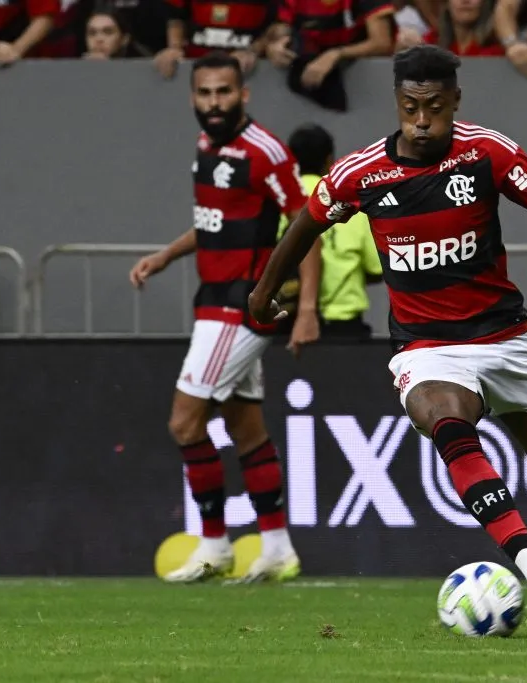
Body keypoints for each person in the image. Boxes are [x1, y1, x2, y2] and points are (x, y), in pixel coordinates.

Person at [249, 44, 527, 634]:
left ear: (455, 100)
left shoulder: (486, 151)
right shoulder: (361, 174)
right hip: (426, 345)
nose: (423, 120)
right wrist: (264, 292)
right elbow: (305, 223)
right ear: (398, 103)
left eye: (435, 106)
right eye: (411, 107)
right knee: (446, 422)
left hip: (504, 336)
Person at [129, 50, 322, 583]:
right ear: (194, 97)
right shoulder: (204, 146)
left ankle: (214, 544)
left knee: (185, 422)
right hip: (214, 298)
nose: (213, 103)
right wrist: (167, 255)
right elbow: (216, 224)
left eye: (223, 92)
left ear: (244, 94)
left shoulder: (266, 153)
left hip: (240, 307)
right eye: (204, 93)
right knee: (246, 429)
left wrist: (307, 310)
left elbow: (306, 230)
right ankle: (278, 547)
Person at [279, 123, 384, 342]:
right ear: (329, 161)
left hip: (288, 326)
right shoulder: (350, 205)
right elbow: (376, 268)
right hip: (344, 331)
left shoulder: (281, 204)